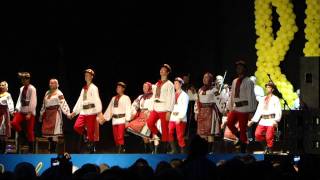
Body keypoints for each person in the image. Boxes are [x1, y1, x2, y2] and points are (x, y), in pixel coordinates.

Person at [226, 60, 257, 153]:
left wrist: (251, 111)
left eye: (241, 67)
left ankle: (243, 150)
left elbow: (251, 96)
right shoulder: (235, 81)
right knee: (229, 123)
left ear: (244, 69)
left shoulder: (249, 81)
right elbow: (232, 95)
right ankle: (241, 139)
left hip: (245, 108)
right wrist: (230, 107)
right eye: (237, 67)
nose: (238, 69)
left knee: (243, 129)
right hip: (236, 108)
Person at [70, 69, 102, 153]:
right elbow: (80, 101)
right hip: (83, 112)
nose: (86, 76)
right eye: (85, 75)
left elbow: (97, 100)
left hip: (91, 112)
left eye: (88, 75)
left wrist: (99, 112)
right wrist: (74, 112)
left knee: (91, 132)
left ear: (92, 77)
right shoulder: (83, 89)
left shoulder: (94, 88)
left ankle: (91, 149)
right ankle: (85, 135)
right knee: (76, 126)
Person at [146, 64, 175, 153]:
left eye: (163, 70)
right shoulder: (157, 83)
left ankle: (164, 149)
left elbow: (172, 98)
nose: (161, 71)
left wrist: (169, 111)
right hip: (156, 107)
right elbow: (153, 94)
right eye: (161, 69)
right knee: (149, 123)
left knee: (165, 129)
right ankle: (158, 135)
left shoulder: (170, 84)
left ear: (168, 72)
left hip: (164, 108)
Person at [248, 81, 282, 154]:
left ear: (272, 89)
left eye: (269, 87)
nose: (267, 88)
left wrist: (276, 120)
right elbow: (258, 110)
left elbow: (278, 110)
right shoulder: (263, 99)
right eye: (266, 87)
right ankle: (265, 146)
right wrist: (252, 121)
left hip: (271, 120)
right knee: (257, 134)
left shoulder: (275, 99)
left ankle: (269, 149)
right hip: (263, 120)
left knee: (269, 136)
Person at [126, 82, 159, 153]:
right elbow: (135, 104)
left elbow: (157, 105)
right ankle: (149, 151)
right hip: (141, 116)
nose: (144, 88)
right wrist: (133, 111)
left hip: (149, 116)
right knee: (141, 133)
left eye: (146, 87)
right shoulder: (141, 96)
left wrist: (151, 112)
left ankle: (154, 151)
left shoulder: (153, 96)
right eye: (143, 87)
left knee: (148, 134)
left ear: (150, 88)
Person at [39, 79, 70, 153]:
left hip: (55, 114)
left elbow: (63, 103)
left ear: (57, 85)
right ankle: (50, 149)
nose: (51, 84)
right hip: (47, 115)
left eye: (53, 83)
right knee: (48, 134)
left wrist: (67, 113)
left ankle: (53, 150)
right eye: (50, 83)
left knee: (55, 134)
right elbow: (44, 105)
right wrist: (41, 114)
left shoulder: (59, 93)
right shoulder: (47, 93)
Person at [100, 82, 131, 153]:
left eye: (119, 87)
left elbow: (128, 109)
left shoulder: (126, 98)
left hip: (122, 120)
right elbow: (109, 109)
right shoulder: (113, 98)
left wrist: (127, 120)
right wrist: (104, 119)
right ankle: (120, 152)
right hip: (114, 120)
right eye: (117, 87)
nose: (117, 88)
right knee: (116, 138)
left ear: (123, 89)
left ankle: (120, 153)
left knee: (120, 137)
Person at [194, 72, 221, 153]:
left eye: (207, 77)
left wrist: (223, 111)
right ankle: (203, 150)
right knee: (202, 133)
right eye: (204, 77)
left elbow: (219, 100)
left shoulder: (214, 90)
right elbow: (197, 101)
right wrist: (196, 112)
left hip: (210, 112)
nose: (205, 79)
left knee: (210, 133)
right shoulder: (200, 90)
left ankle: (210, 151)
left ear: (210, 79)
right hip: (201, 112)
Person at [11, 72, 37, 153]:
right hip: (21, 111)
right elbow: (19, 99)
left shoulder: (32, 88)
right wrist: (16, 109)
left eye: (24, 79)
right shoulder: (21, 88)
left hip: (29, 111)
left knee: (30, 131)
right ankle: (23, 136)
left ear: (28, 79)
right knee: (14, 123)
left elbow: (33, 101)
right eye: (22, 80)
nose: (23, 81)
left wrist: (30, 112)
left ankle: (31, 149)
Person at [168, 77, 189, 153]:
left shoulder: (184, 95)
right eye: (174, 83)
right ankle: (174, 149)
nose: (175, 85)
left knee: (180, 136)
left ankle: (183, 151)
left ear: (180, 84)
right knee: (169, 132)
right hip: (172, 117)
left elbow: (184, 107)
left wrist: (180, 117)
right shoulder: (173, 94)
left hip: (181, 118)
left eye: (176, 83)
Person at [182, 74, 197, 141]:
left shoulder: (191, 87)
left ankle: (186, 135)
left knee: (188, 120)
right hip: (181, 105)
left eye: (187, 79)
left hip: (189, 105)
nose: (185, 80)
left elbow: (195, 96)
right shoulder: (181, 86)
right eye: (184, 79)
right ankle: (182, 134)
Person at [0, 81, 14, 153]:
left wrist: (11, 111)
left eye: (3, 85)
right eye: (1, 85)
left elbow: (10, 103)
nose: (1, 86)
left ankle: (3, 150)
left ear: (6, 87)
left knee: (3, 131)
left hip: (4, 113)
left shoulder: (8, 95)